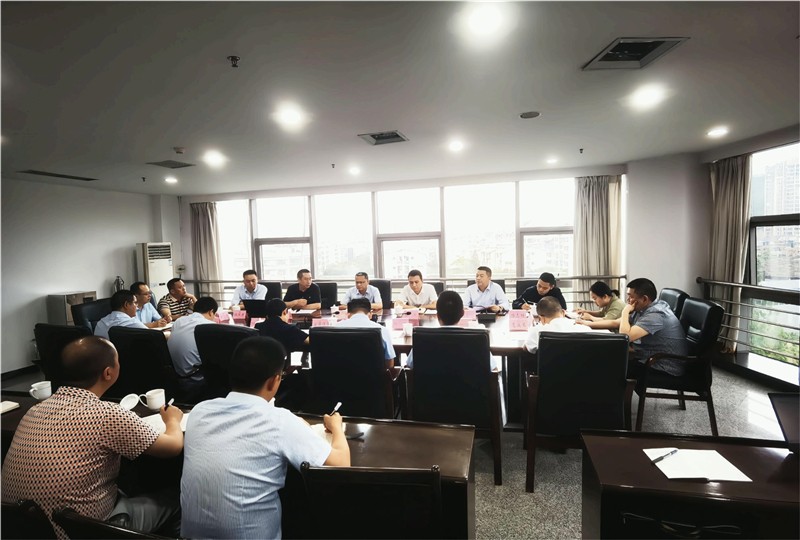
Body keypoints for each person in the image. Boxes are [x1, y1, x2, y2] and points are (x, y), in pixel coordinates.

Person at [1, 337, 184, 539]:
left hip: (19, 529)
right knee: (179, 500)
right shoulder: (107, 415)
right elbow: (173, 447)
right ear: (108, 373)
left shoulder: (34, 410)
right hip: (79, 532)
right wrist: (172, 419)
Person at [180, 336, 350, 539]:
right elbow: (341, 465)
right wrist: (336, 428)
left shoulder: (200, 411)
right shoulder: (280, 421)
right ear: (274, 381)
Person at [406, 291, 499, 370]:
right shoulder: (479, 338)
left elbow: (410, 366)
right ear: (462, 313)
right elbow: (492, 368)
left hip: (429, 386)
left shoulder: (422, 338)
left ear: (437, 315)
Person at [620, 278, 688, 377]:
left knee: (615, 365)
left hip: (664, 367)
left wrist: (625, 311)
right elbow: (617, 323)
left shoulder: (656, 314)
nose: (628, 300)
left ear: (644, 299)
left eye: (631, 297)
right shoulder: (646, 307)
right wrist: (594, 323)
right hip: (650, 357)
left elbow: (625, 337)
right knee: (615, 358)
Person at [167, 296, 218, 400]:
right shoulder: (210, 326)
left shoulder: (179, 321)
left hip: (174, 376)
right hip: (195, 379)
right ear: (211, 312)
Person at [335, 297, 395, 368]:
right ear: (371, 314)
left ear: (348, 314)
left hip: (340, 373)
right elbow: (390, 364)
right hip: (373, 374)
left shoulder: (335, 328)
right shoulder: (382, 330)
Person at [523, 296, 592, 353]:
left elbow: (526, 349)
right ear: (563, 312)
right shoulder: (585, 329)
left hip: (550, 366)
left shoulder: (537, 331)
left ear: (541, 318)